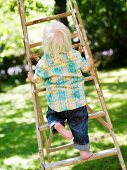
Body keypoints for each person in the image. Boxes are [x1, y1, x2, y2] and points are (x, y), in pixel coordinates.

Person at [27, 21, 93, 160]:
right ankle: (84, 152)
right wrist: (90, 61)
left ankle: (57, 124)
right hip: (77, 101)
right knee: (80, 124)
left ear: (46, 43)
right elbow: (86, 68)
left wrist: (31, 77)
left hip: (56, 103)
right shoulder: (74, 55)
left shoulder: (44, 62)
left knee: (52, 116)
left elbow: (38, 79)